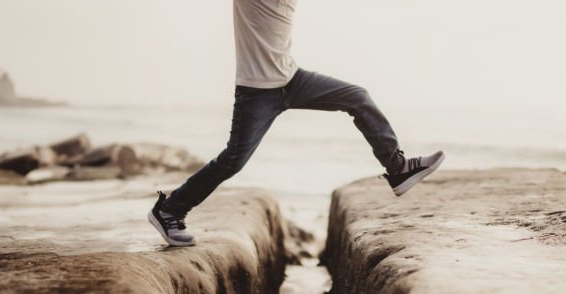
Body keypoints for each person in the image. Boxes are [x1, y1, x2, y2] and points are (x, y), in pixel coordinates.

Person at [149, 0, 445, 247]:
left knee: (358, 97)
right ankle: (170, 210)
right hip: (256, 92)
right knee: (233, 160)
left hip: (293, 80)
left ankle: (398, 169)